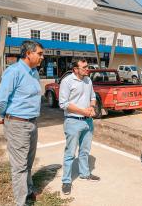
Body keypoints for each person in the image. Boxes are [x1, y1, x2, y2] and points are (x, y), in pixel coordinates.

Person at [0, 40, 44, 206]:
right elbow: (0, 100)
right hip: (17, 124)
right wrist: (5, 115)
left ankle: (29, 190)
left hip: (32, 122)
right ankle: (21, 202)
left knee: (28, 162)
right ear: (28, 54)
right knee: (20, 166)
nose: (42, 57)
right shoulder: (14, 71)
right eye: (39, 53)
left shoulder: (34, 72)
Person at [59, 58, 100, 195]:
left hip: (88, 121)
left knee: (85, 150)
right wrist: (83, 111)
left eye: (87, 66)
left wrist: (91, 107)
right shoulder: (67, 82)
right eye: (84, 67)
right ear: (75, 70)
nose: (87, 69)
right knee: (70, 153)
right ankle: (66, 181)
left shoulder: (88, 80)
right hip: (73, 121)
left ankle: (84, 173)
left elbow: (93, 97)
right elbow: (63, 104)